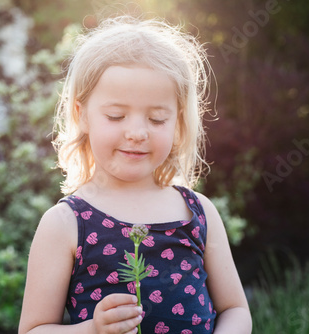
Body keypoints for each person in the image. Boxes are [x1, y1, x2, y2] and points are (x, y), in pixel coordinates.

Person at [19, 15, 252, 334]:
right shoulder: (66, 224)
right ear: (81, 114)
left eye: (157, 119)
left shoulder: (198, 212)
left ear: (178, 123)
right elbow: (33, 329)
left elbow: (235, 309)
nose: (137, 132)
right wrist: (92, 330)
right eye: (116, 116)